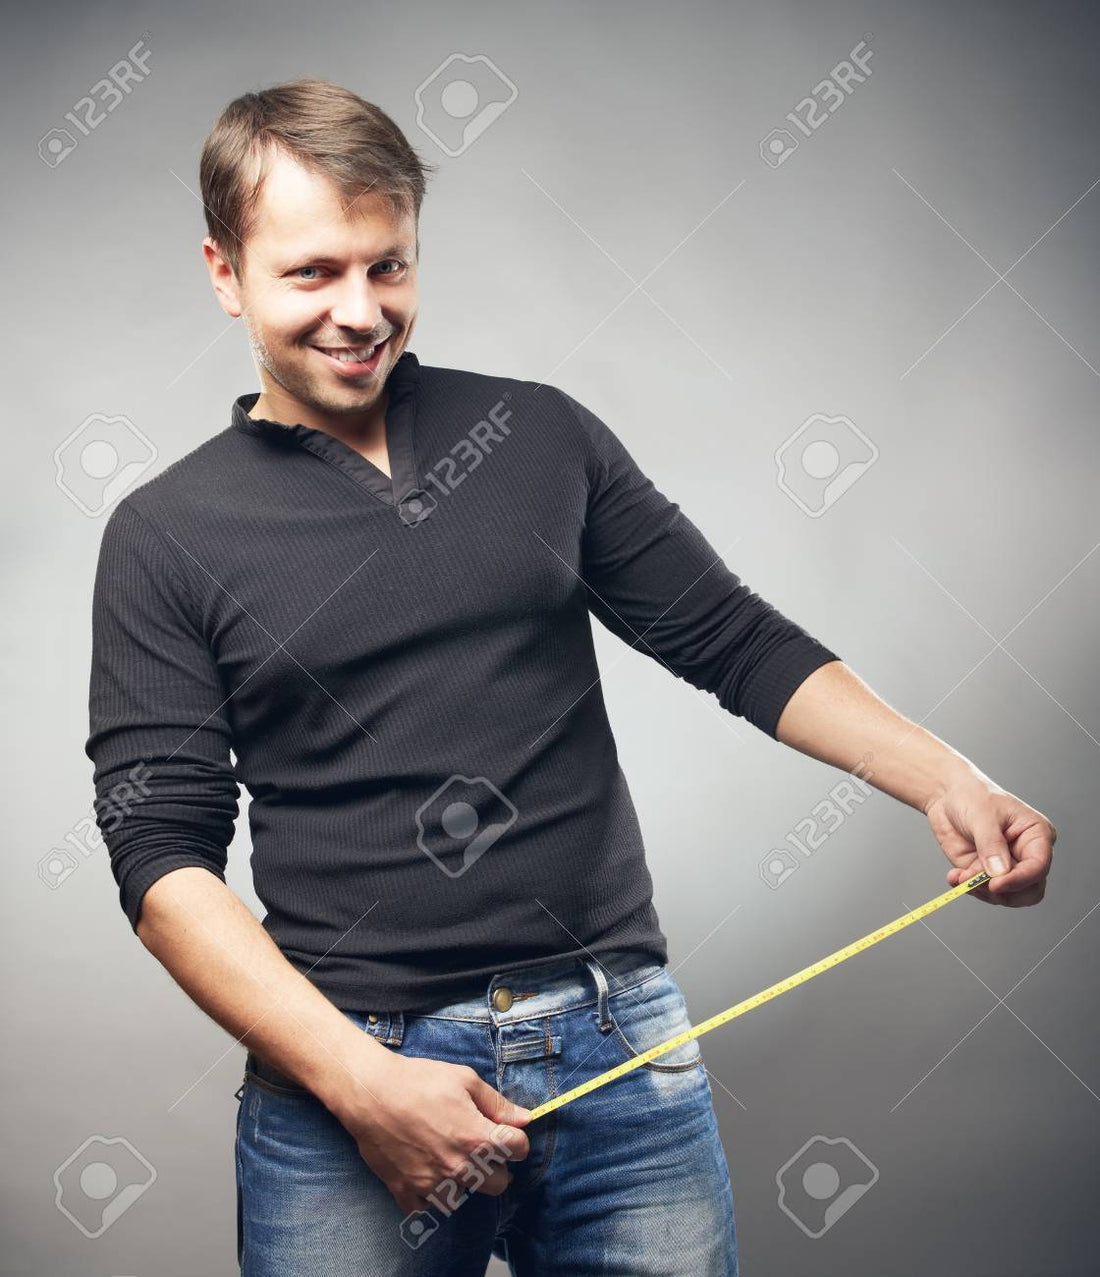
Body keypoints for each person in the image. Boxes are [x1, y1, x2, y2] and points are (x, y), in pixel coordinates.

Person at [84, 79, 1056, 1277]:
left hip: (619, 1050)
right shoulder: (164, 532)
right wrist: (361, 1080)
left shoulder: (539, 434)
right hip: (350, 1077)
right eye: (311, 273)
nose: (359, 311)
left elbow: (730, 638)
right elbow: (162, 862)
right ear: (224, 271)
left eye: (386, 266)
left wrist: (944, 777)